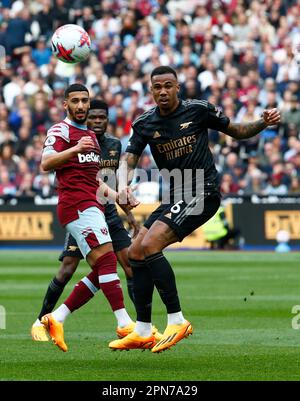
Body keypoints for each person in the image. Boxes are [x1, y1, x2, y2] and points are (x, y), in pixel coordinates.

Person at [109, 66, 281, 353]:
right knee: (135, 251)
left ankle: (177, 320)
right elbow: (129, 158)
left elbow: (236, 131)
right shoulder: (144, 123)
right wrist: (123, 184)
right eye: (157, 87)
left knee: (150, 245)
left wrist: (261, 123)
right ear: (151, 91)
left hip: (203, 191)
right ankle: (141, 329)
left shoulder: (199, 110)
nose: (162, 91)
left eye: (168, 85)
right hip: (177, 194)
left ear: (178, 87)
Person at [31, 99, 152, 344]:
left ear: (107, 119)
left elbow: (103, 180)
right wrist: (75, 149)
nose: (96, 120)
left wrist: (126, 209)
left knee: (121, 265)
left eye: (100, 117)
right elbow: (48, 164)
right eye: (91, 115)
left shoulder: (109, 144)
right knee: (69, 268)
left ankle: (137, 325)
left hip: (104, 209)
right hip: (81, 208)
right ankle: (43, 319)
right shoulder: (67, 134)